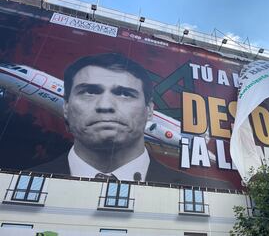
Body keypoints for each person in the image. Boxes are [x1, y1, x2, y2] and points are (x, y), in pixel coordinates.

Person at [34, 53, 231, 188]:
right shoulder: (29, 177)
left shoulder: (202, 187)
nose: (105, 105)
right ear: (66, 107)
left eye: (125, 94)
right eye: (90, 91)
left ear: (149, 110)